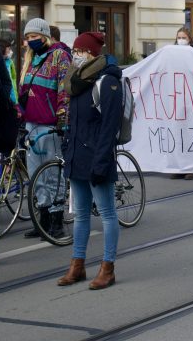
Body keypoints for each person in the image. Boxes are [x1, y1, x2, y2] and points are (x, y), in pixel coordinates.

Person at [57, 32, 122, 290]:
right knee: (81, 214)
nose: (76, 56)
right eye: (75, 52)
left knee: (107, 213)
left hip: (97, 156)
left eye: (80, 52)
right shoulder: (77, 81)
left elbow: (109, 126)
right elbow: (74, 123)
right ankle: (77, 265)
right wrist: (67, 150)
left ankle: (108, 268)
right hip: (76, 156)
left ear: (92, 54)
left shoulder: (107, 81)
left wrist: (102, 161)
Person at [18, 18, 72, 239]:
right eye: (28, 38)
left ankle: (56, 220)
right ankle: (43, 219)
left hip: (51, 125)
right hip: (32, 123)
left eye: (34, 37)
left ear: (45, 36)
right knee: (35, 175)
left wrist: (62, 118)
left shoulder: (60, 56)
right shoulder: (31, 58)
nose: (31, 41)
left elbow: (65, 89)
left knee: (53, 173)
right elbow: (25, 91)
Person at [171, 27, 193, 180]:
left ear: (189, 39)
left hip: (192, 100)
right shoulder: (172, 54)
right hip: (177, 99)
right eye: (178, 38)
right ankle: (180, 167)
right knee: (178, 133)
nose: (180, 40)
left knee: (191, 134)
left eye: (183, 37)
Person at [0, 39, 18, 105]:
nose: (11, 51)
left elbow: (13, 79)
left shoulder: (10, 62)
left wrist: (15, 99)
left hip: (11, 99)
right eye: (8, 49)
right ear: (2, 49)